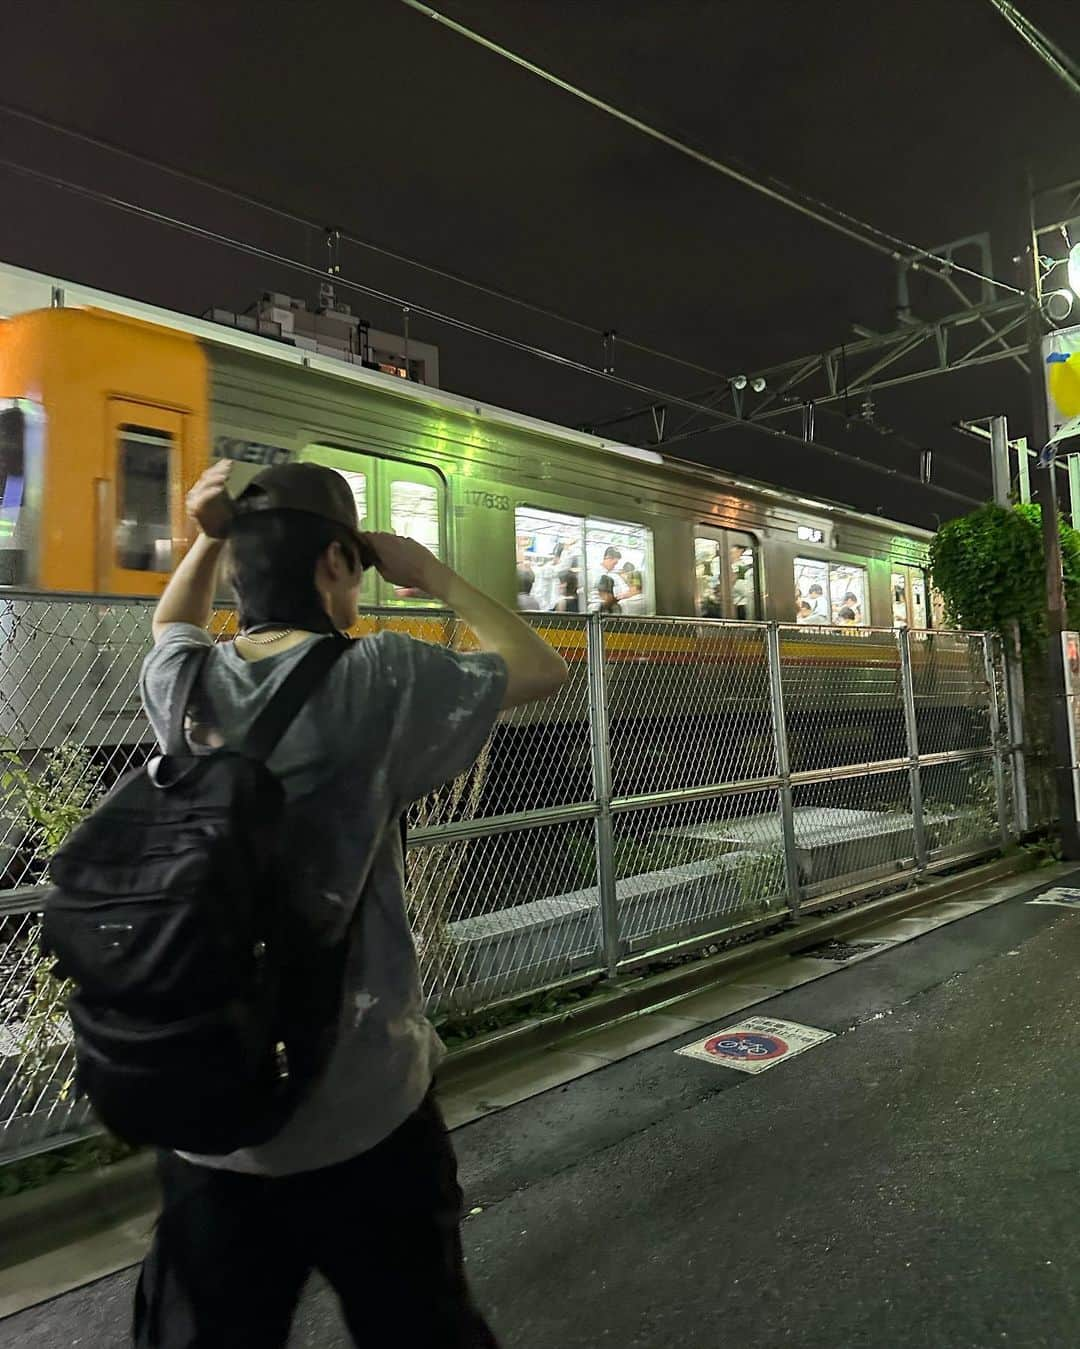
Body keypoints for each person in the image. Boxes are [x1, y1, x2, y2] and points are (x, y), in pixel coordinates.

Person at [133, 459, 568, 1347]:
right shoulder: (382, 678)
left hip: (212, 1109)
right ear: (336, 563)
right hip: (365, 1105)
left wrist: (211, 533)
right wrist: (432, 575)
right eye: (358, 567)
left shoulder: (185, 687)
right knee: (421, 1327)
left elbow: (171, 621)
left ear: (241, 572)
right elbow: (538, 666)